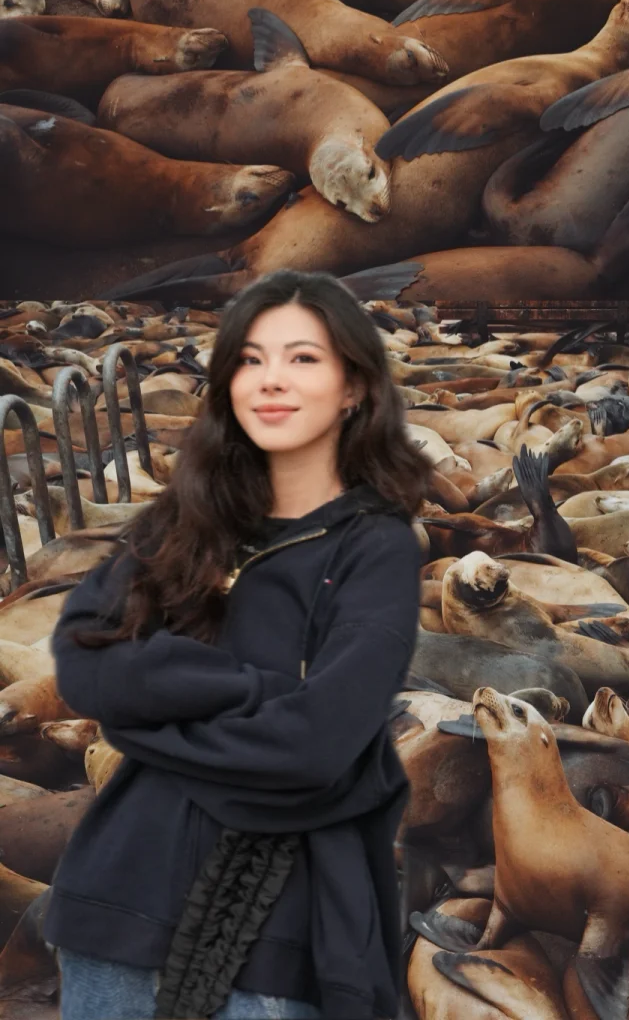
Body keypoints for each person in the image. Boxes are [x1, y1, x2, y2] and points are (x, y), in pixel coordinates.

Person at [46, 270, 433, 1020]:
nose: (270, 380)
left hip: (272, 942)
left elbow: (314, 749)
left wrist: (148, 719)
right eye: (250, 360)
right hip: (113, 907)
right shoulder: (180, 522)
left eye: (302, 358)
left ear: (355, 388)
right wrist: (260, 692)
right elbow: (83, 665)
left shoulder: (375, 548)